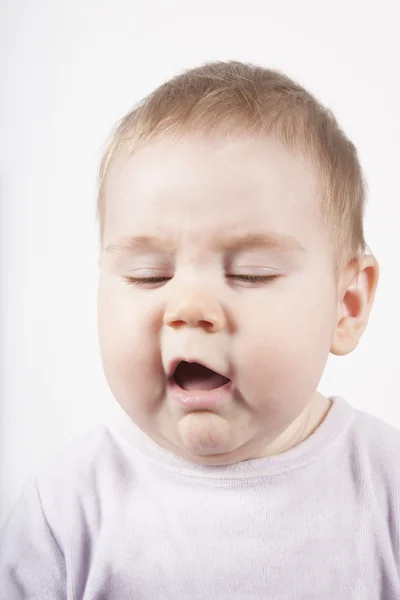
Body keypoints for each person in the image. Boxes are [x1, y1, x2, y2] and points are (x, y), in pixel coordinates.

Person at [0, 60, 398, 599]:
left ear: (346, 305)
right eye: (149, 275)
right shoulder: (68, 508)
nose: (189, 307)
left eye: (250, 273)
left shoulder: (386, 489)